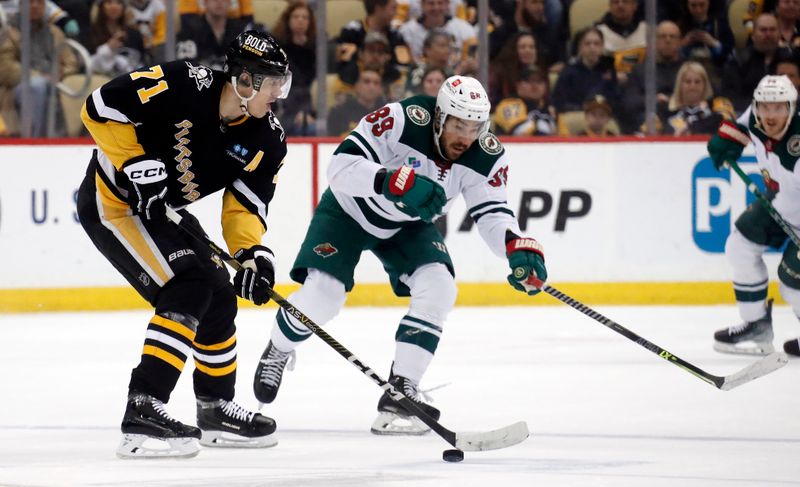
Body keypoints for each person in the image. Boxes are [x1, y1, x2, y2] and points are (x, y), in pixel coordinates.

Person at [251, 75, 548, 435]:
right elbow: (340, 168)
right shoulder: (401, 119)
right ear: (439, 117)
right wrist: (388, 180)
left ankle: (401, 390)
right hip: (349, 212)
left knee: (439, 287)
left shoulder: (487, 155)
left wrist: (514, 245)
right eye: (458, 125)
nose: (465, 137)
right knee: (323, 297)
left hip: (408, 223)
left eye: (474, 127)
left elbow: (491, 213)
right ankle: (279, 347)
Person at [76, 30, 291, 458]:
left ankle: (214, 408)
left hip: (164, 210)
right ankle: (143, 407)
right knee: (189, 285)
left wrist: (252, 255)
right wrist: (136, 163)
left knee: (218, 293)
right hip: (114, 203)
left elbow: (244, 207)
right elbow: (99, 108)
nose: (278, 94)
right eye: (272, 83)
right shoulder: (183, 81)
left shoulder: (267, 138)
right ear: (245, 82)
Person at [706, 74, 800, 357]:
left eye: (778, 108)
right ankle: (756, 324)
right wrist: (727, 141)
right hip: (781, 202)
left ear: (792, 109)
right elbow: (740, 127)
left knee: (792, 281)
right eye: (765, 107)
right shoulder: (757, 117)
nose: (770, 115)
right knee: (740, 247)